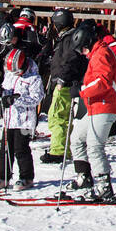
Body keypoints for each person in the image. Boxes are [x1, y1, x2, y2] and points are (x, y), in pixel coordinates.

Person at [66, 27, 116, 202]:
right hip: (96, 106)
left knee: (94, 146)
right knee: (76, 138)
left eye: (83, 49)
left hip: (106, 106)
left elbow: (103, 82)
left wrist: (82, 90)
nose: (83, 53)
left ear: (89, 43)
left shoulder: (102, 54)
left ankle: (104, 187)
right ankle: (84, 177)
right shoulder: (96, 53)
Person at [0, 40, 45, 191]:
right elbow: (5, 90)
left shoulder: (34, 78)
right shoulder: (10, 74)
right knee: (5, 149)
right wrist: (0, 93)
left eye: (17, 71)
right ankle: (2, 176)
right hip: (9, 119)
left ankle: (26, 177)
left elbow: (37, 98)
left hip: (26, 122)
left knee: (21, 149)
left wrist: (15, 99)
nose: (15, 74)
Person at [39, 9, 81, 164]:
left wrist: (62, 79)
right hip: (63, 81)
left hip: (64, 83)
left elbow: (70, 60)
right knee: (58, 115)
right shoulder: (67, 37)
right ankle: (63, 148)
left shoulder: (69, 38)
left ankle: (58, 151)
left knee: (58, 116)